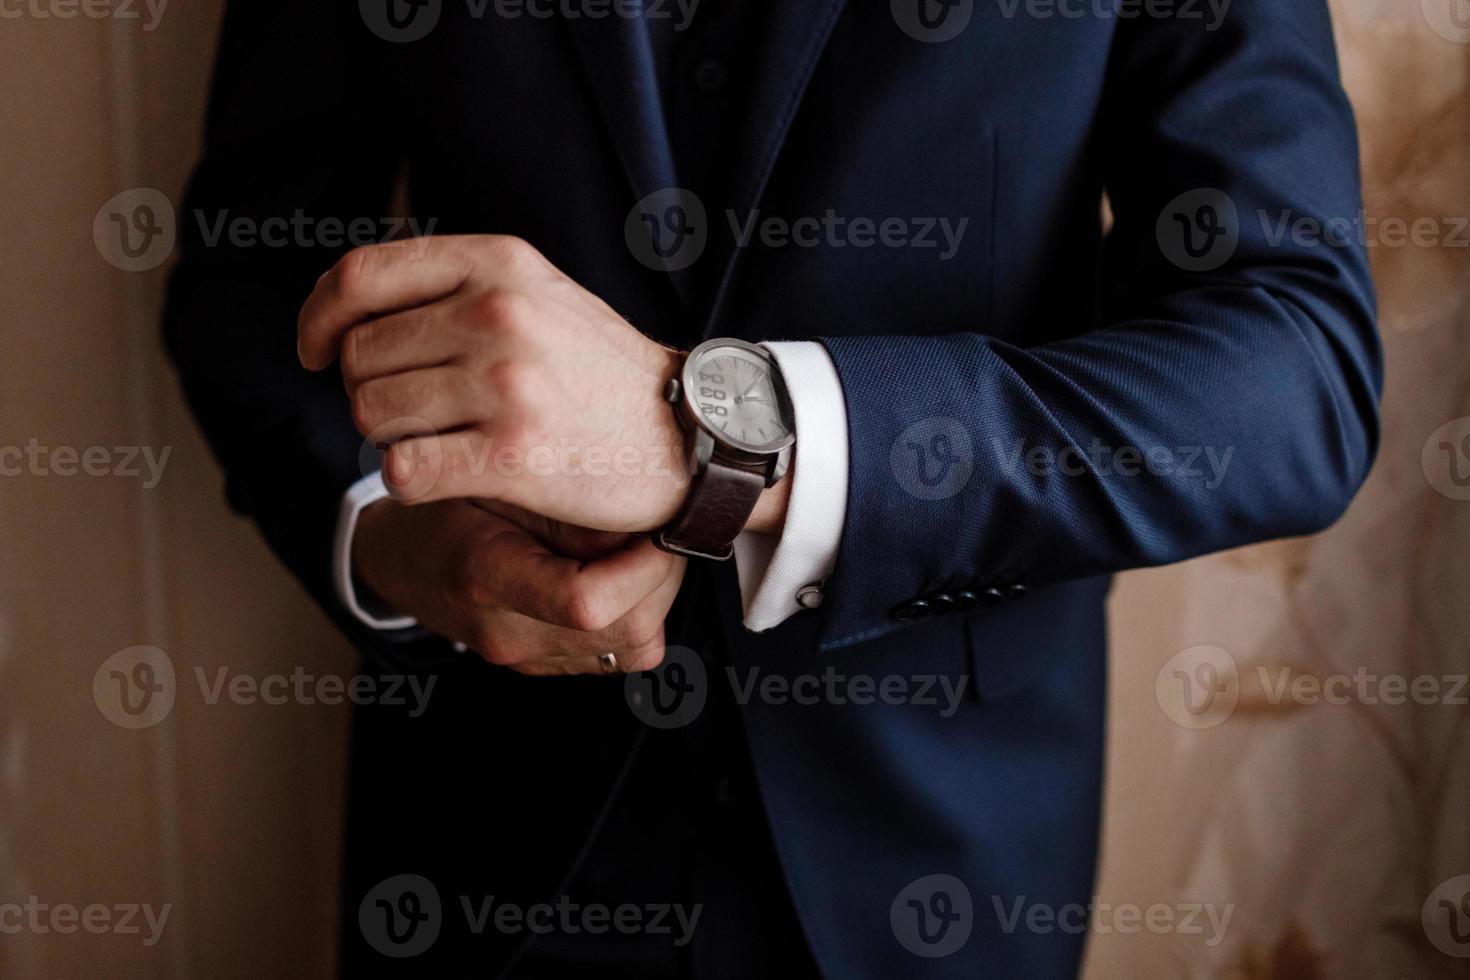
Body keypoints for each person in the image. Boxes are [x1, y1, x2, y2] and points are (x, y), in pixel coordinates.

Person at [164, 1, 1380, 976]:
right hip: (484, 826)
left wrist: (712, 429)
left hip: (940, 856)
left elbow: (1293, 368)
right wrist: (388, 539)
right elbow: (250, 277)